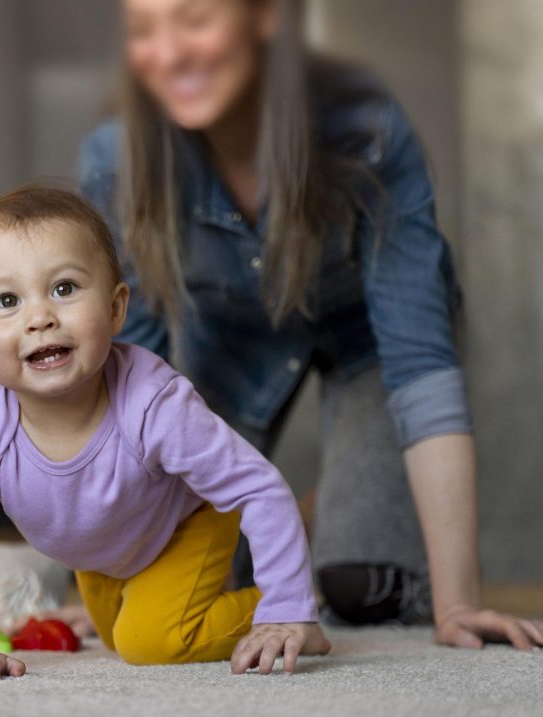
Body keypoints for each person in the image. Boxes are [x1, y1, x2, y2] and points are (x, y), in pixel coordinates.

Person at [77, 0, 543, 651]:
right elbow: (136, 391)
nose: (168, 53)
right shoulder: (114, 161)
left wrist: (458, 601)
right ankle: (304, 513)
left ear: (266, 16)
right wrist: (122, 574)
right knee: (201, 581)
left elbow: (420, 369)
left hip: (371, 343)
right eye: (145, 29)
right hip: (232, 340)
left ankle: (333, 507)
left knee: (361, 588)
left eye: (194, 19)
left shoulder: (368, 128)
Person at [0, 185, 330, 680]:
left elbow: (258, 487)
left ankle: (292, 605)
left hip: (184, 524)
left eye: (65, 288)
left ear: (115, 309)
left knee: (150, 640)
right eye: (7, 300)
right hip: (102, 550)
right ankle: (158, 599)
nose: (40, 317)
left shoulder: (153, 404)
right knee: (115, 635)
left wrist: (288, 608)